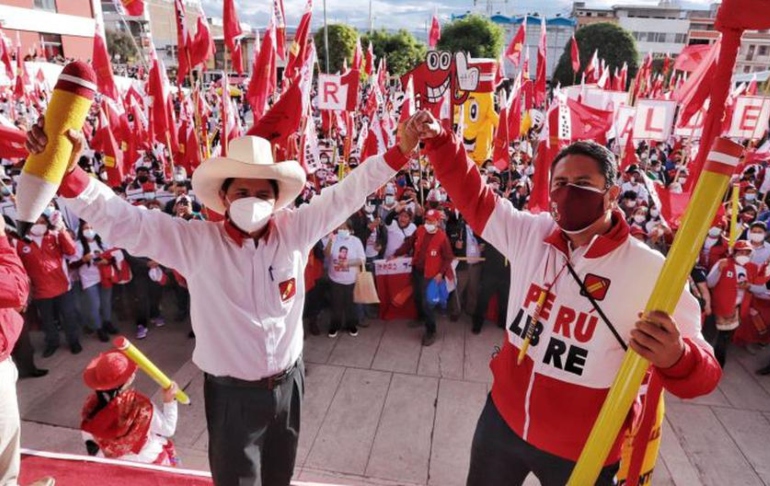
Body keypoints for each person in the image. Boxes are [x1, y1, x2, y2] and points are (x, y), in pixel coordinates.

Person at [26, 116, 417, 486]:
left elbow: (347, 194)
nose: (252, 201)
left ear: (278, 199)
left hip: (289, 386)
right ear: (225, 197)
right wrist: (71, 174)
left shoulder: (295, 231)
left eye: (263, 194)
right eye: (242, 192)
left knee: (280, 476)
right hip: (232, 396)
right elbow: (126, 221)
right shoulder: (196, 243)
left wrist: (400, 151)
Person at [407, 110, 722, 485]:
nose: (569, 191)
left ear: (613, 194)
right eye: (561, 182)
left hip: (584, 450)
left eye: (584, 182)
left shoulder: (651, 270)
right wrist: (440, 141)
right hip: (502, 423)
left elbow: (705, 373)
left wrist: (677, 358)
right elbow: (474, 197)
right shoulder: (531, 234)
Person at [81, 350, 180, 465]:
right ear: (128, 380)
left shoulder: (90, 406)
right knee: (171, 457)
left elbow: (89, 438)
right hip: (147, 459)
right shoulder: (141, 406)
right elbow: (168, 429)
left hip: (109, 463)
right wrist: (169, 401)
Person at [15, 212, 81, 357]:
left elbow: (71, 251)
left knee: (69, 316)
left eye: (42, 222)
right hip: (40, 291)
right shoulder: (21, 242)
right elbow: (19, 267)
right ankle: (52, 343)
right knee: (48, 320)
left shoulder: (55, 236)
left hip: (63, 287)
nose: (39, 225)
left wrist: (62, 230)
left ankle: (74, 341)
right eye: (36, 222)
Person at [394, 209, 454, 346]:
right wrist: (397, 253)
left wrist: (440, 273)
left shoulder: (442, 237)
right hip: (417, 271)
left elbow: (448, 257)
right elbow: (409, 244)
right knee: (417, 297)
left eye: (431, 221)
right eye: (427, 220)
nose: (428, 223)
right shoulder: (420, 230)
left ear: (438, 222)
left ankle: (431, 331)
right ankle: (420, 318)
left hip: (431, 275)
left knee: (427, 304)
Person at [325, 220, 366, 337]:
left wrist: (348, 263)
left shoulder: (356, 241)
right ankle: (334, 326)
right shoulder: (334, 239)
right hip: (335, 279)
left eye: (344, 228)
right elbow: (327, 255)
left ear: (350, 230)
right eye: (340, 228)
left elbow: (362, 259)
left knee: (351, 305)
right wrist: (330, 242)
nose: (342, 231)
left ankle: (351, 325)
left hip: (351, 279)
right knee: (336, 304)